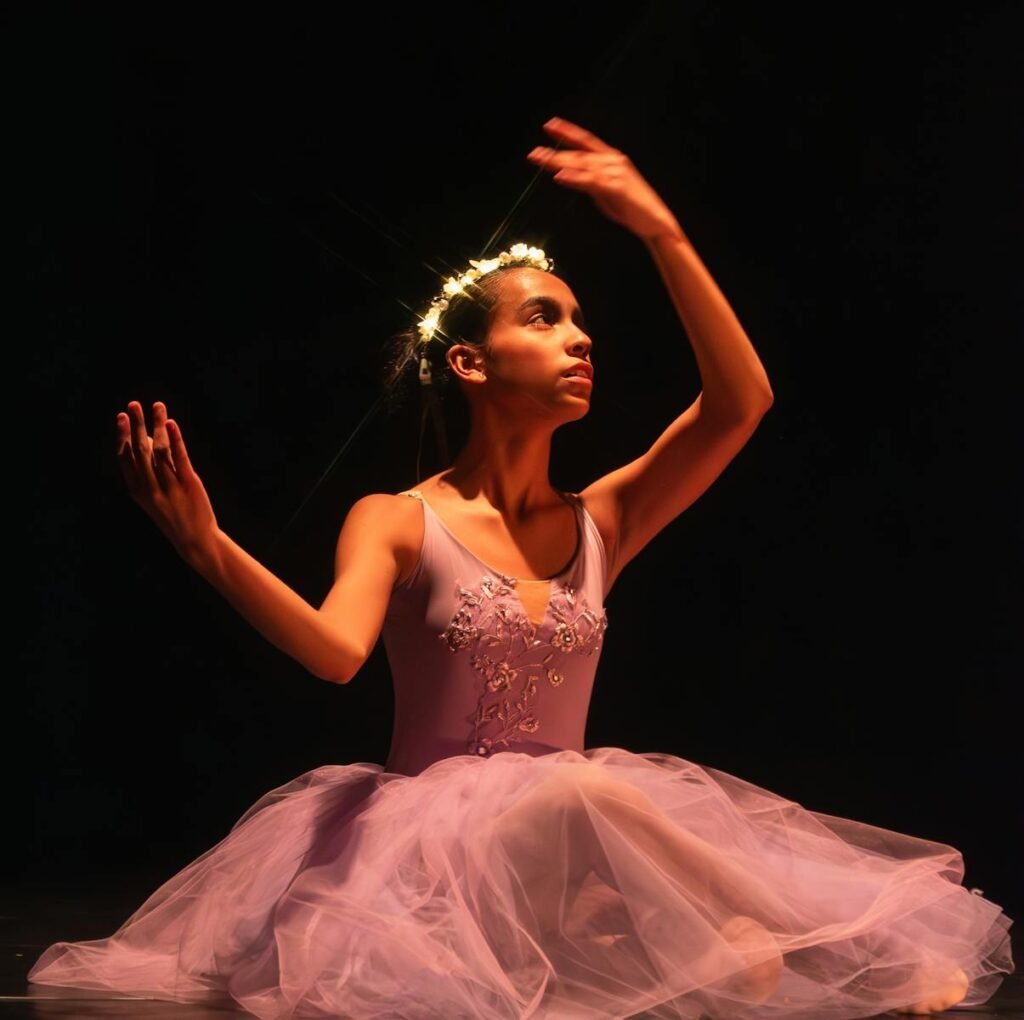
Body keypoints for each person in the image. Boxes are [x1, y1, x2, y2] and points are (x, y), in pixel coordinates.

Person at [28, 117, 1013, 1019]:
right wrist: (206, 546)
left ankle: (793, 946)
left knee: (590, 792)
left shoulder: (605, 519)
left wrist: (660, 232)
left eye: (580, 320)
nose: (579, 337)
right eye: (543, 319)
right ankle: (769, 944)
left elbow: (739, 402)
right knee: (586, 792)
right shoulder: (399, 519)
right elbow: (334, 654)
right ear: (470, 363)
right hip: (426, 866)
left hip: (572, 854)